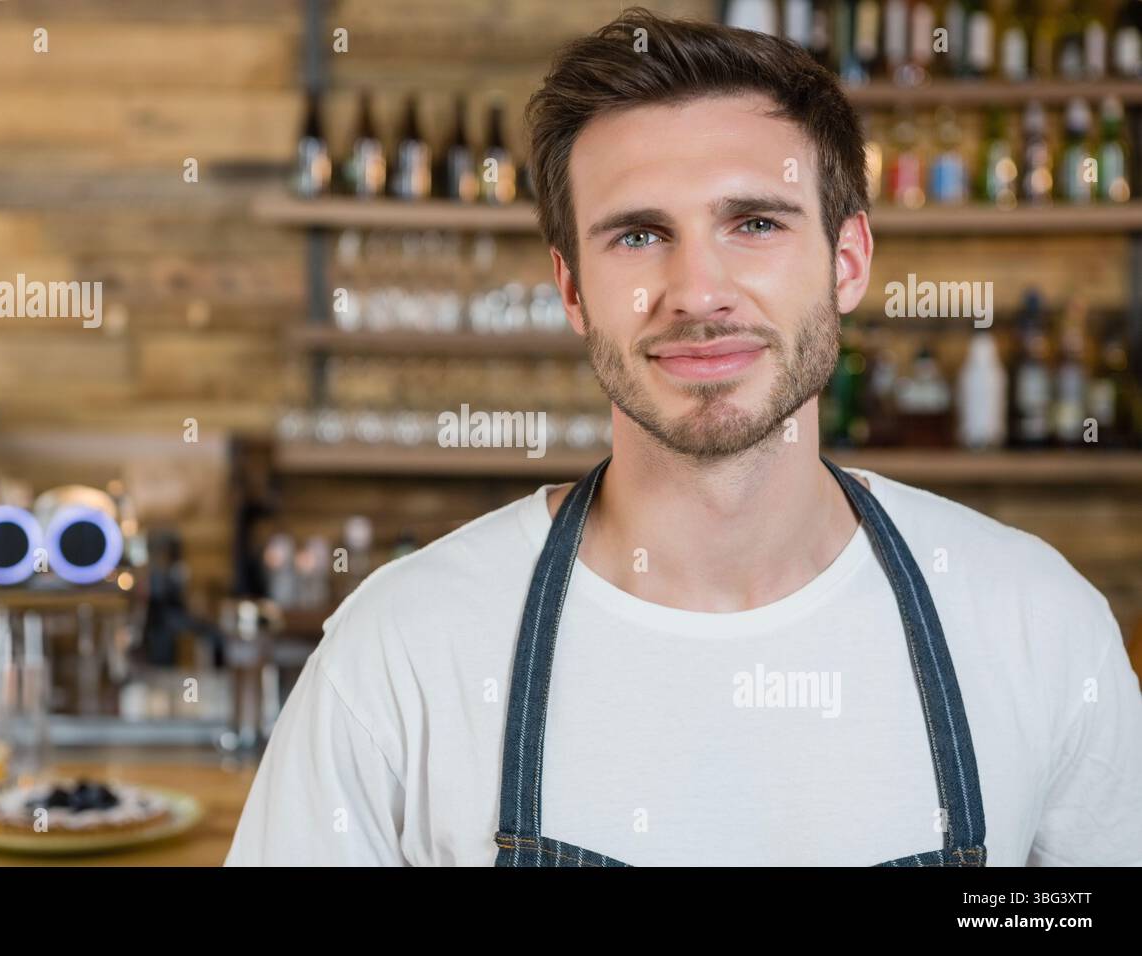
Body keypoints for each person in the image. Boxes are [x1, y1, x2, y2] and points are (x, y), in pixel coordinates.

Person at [227, 8, 1142, 866]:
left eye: (754, 223)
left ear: (849, 261)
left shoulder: (1039, 626)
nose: (698, 292)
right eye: (637, 235)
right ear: (572, 288)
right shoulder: (398, 656)